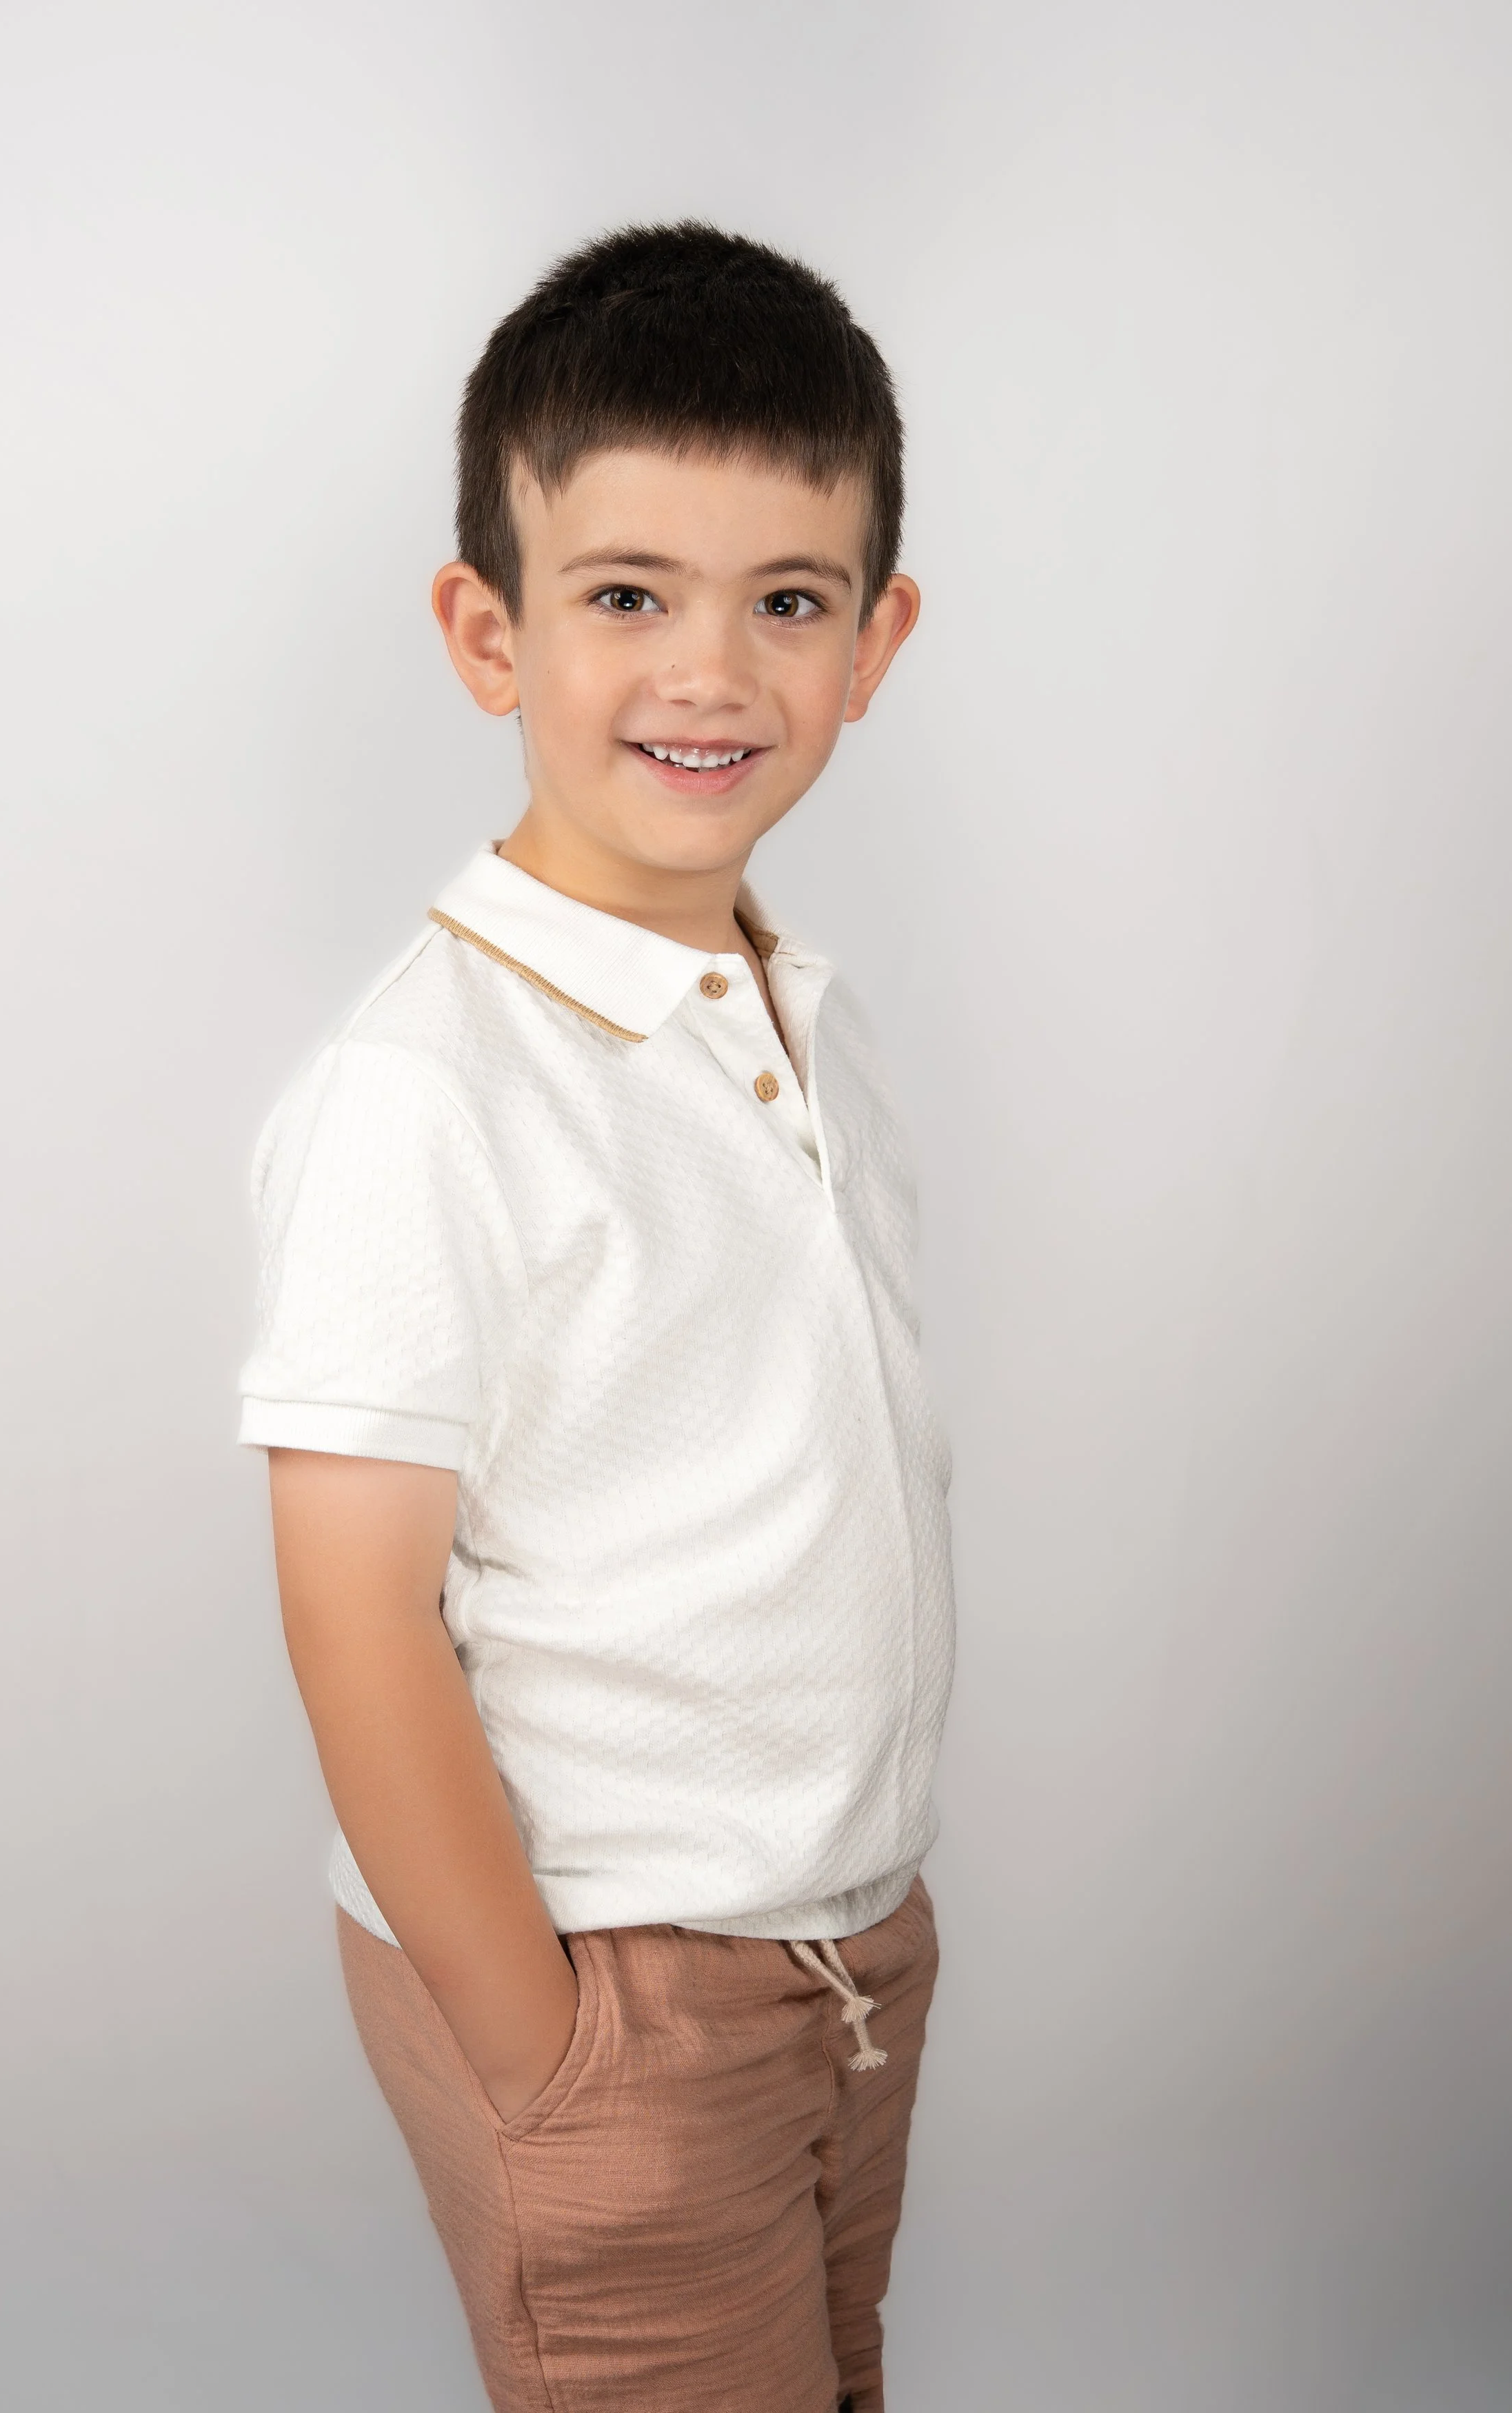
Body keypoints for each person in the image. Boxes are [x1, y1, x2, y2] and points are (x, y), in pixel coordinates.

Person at [239, 221, 955, 2413]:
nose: (709, 673)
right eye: (626, 594)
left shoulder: (785, 1007)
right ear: (489, 627)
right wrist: (546, 2058)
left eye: (788, 600)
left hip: (840, 1959)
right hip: (615, 1994)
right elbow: (355, 1604)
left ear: (876, 638)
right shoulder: (423, 1087)